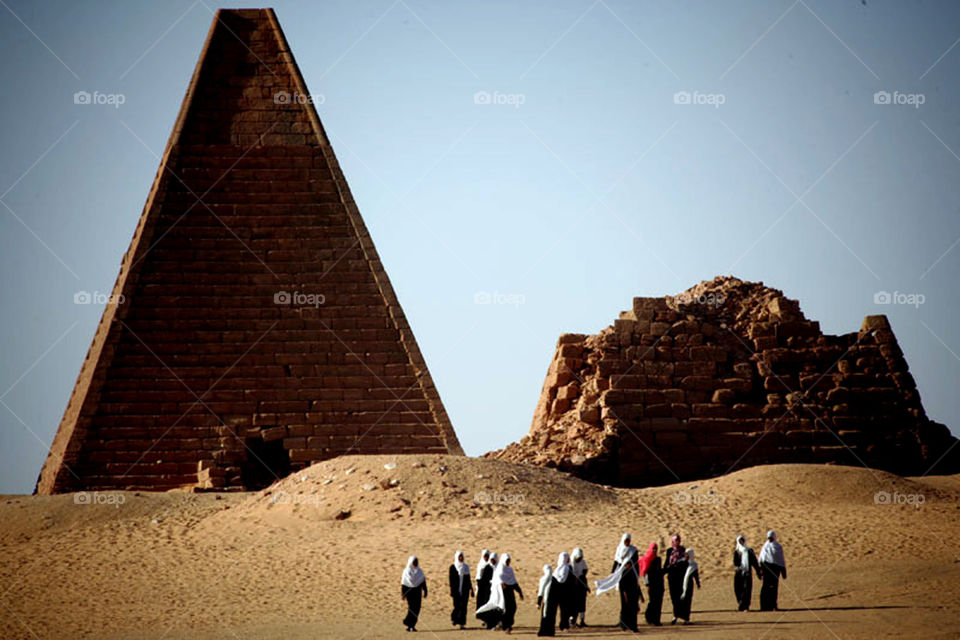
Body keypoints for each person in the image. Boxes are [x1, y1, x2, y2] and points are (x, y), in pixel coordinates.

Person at [477, 552, 524, 632]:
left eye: (509, 560)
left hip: (510, 591)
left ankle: (506, 624)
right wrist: (501, 583)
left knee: (513, 607)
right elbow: (497, 580)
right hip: (501, 593)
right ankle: (506, 626)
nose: (508, 562)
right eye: (507, 560)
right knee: (505, 609)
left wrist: (519, 592)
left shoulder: (510, 569)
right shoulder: (499, 569)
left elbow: (513, 581)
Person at [758, 530, 787, 611]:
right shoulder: (765, 547)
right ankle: (764, 606)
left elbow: (781, 560)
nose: (770, 539)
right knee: (765, 588)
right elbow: (761, 559)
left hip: (775, 570)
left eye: (771, 538)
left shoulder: (778, 547)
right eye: (769, 538)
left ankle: (773, 605)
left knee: (774, 588)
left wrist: (783, 572)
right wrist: (761, 570)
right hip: (766, 570)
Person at [733, 535, 762, 612]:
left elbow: (754, 562)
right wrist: (737, 568)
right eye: (739, 541)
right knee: (738, 589)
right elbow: (735, 562)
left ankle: (746, 606)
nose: (741, 542)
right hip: (739, 574)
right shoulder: (737, 551)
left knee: (747, 589)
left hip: (747, 573)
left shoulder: (749, 551)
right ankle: (741, 604)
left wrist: (758, 571)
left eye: (742, 541)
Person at [639, 541, 664, 626]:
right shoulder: (647, 559)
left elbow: (659, 571)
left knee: (658, 602)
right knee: (653, 601)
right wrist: (647, 584)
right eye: (653, 549)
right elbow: (645, 573)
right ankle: (649, 618)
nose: (654, 550)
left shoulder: (658, 559)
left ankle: (656, 620)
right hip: (651, 584)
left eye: (656, 549)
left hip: (659, 583)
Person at [401, 556, 428, 632]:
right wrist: (403, 594)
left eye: (416, 562)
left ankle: (412, 625)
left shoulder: (420, 571)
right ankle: (408, 623)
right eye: (414, 562)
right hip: (409, 592)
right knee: (411, 608)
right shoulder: (406, 571)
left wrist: (425, 591)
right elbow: (404, 583)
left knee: (417, 609)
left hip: (417, 591)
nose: (415, 563)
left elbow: (423, 582)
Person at [665, 534, 687, 624]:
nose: (677, 542)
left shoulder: (683, 550)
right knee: (673, 596)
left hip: (680, 576)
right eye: (676, 540)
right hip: (671, 576)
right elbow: (667, 562)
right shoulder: (669, 551)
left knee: (681, 596)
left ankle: (683, 616)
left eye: (678, 540)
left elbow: (686, 562)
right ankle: (675, 615)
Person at [449, 550, 473, 628]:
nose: (461, 558)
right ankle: (454, 619)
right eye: (460, 556)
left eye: (462, 556)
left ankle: (462, 623)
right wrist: (452, 591)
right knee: (457, 606)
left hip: (465, 590)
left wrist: (471, 589)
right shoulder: (453, 567)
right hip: (456, 590)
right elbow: (451, 580)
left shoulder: (466, 567)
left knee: (464, 607)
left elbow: (468, 579)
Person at [675, 549, 700, 624]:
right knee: (679, 601)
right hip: (680, 584)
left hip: (689, 586)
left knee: (687, 602)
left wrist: (698, 583)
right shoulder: (681, 562)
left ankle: (686, 619)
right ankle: (676, 616)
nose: (686, 556)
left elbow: (696, 575)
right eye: (685, 554)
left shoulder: (694, 565)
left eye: (687, 555)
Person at [552, 552, 574, 631]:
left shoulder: (557, 570)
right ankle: (563, 625)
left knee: (563, 610)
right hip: (564, 592)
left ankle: (563, 625)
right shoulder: (567, 569)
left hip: (561, 592)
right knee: (564, 610)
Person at [570, 547, 590, 627]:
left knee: (582, 603)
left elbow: (585, 570)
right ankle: (573, 620)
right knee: (574, 603)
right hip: (573, 585)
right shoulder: (571, 564)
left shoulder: (582, 562)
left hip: (581, 584)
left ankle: (582, 620)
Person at [537, 563, 557, 636]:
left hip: (549, 601)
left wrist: (538, 602)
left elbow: (540, 592)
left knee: (547, 615)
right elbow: (541, 591)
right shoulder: (554, 579)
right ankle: (548, 631)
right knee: (549, 616)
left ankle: (546, 631)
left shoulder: (546, 579)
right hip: (551, 601)